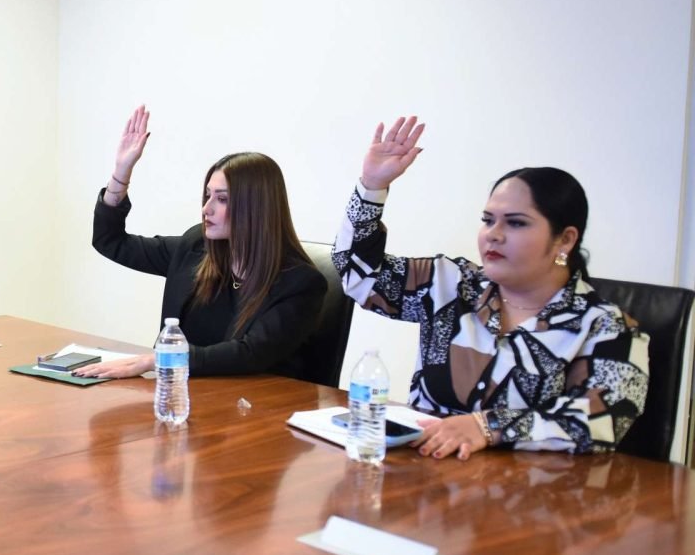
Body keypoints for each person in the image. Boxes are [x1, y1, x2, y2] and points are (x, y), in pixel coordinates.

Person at [336, 115, 648, 459]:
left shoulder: (606, 327)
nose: (493, 235)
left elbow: (601, 423)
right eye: (488, 220)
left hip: (528, 488)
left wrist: (488, 426)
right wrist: (372, 186)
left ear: (565, 240)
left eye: (516, 223)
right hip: (422, 474)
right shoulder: (451, 284)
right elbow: (359, 276)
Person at [77, 105, 325, 380]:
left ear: (255, 208)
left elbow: (250, 353)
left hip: (255, 403)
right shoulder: (196, 247)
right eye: (208, 196)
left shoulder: (300, 284)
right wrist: (121, 173)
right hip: (184, 394)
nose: (206, 208)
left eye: (222, 199)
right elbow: (110, 241)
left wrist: (157, 359)